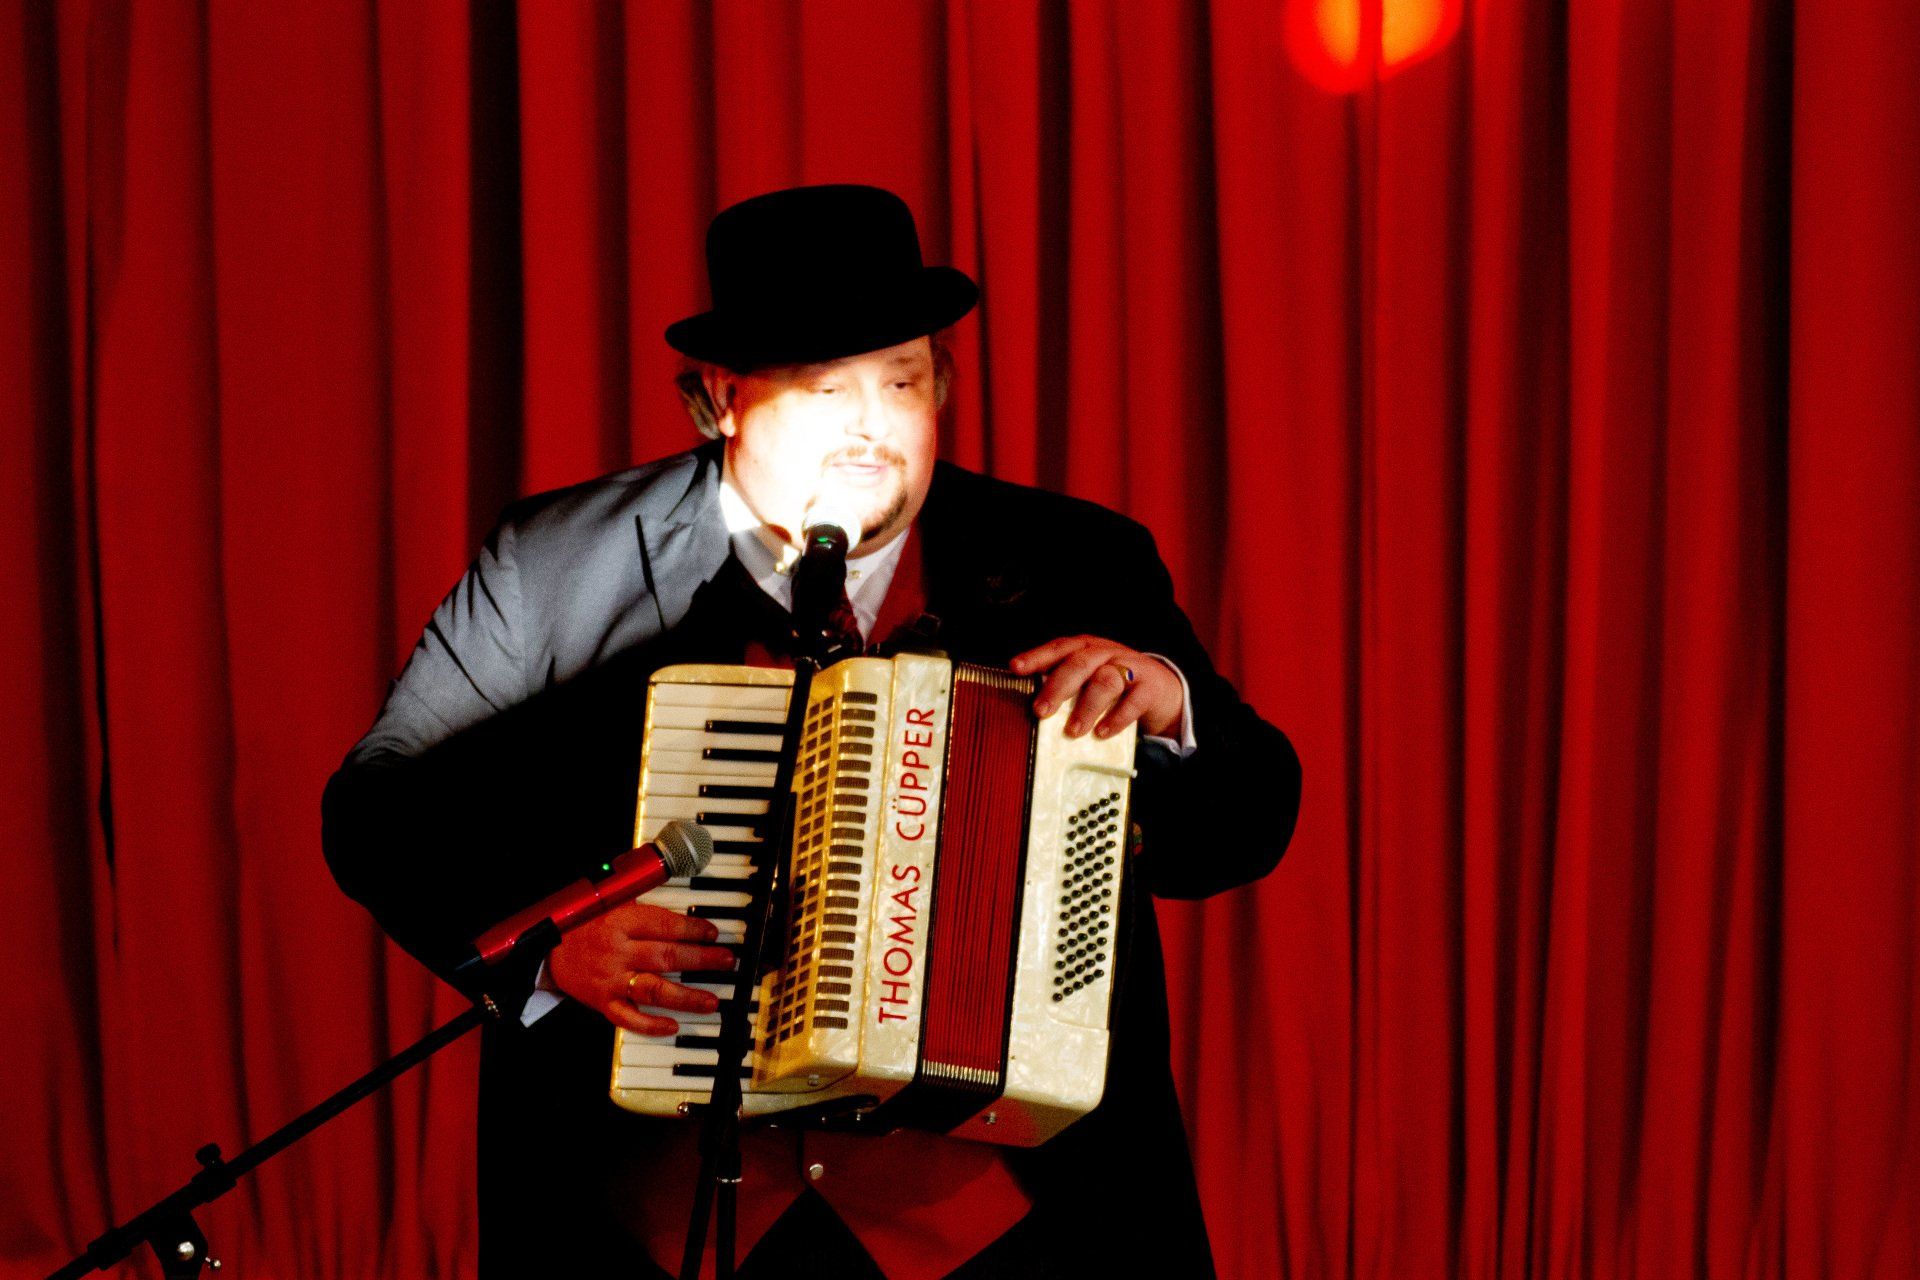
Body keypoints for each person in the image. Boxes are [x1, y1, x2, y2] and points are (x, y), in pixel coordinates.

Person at [323, 184, 1301, 1279]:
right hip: (659, 1218)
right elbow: (375, 807)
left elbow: (1248, 818)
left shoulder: (1079, 557)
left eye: (902, 381)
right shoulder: (553, 565)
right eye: (826, 388)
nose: (870, 427)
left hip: (1011, 1220)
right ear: (721, 399)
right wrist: (548, 939)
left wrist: (1172, 710)